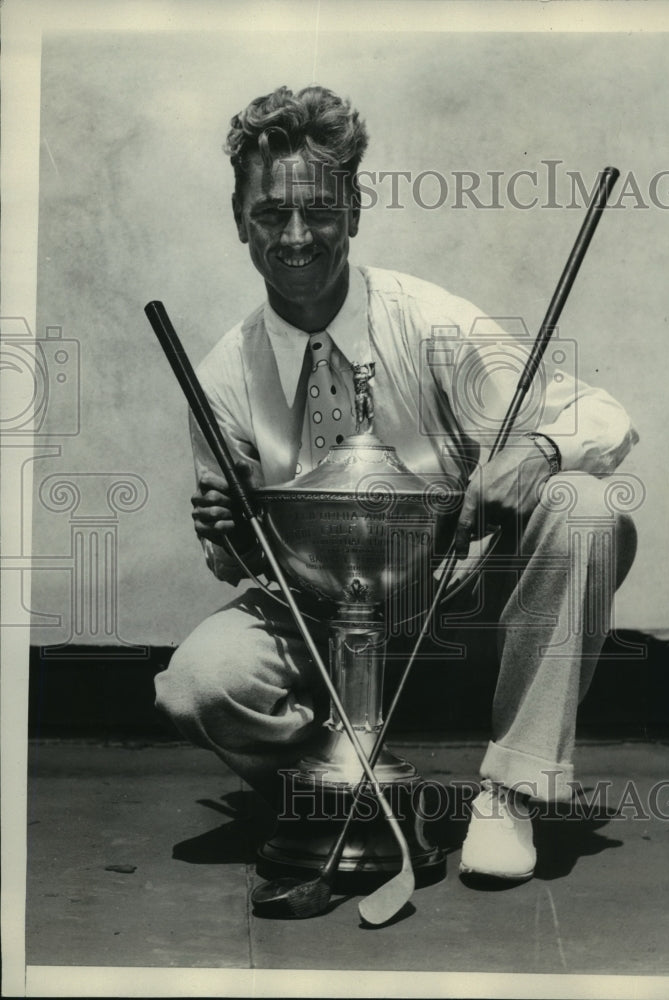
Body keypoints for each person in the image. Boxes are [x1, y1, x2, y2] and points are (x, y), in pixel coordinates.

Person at [154, 85, 638, 883]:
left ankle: (509, 794)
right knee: (198, 687)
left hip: (454, 600)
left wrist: (536, 453)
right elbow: (232, 564)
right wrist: (231, 531)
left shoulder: (429, 321)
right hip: (316, 614)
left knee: (583, 506)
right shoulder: (221, 376)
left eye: (319, 211)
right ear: (240, 219)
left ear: (354, 210)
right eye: (271, 214)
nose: (296, 236)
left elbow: (603, 415)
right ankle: (332, 791)